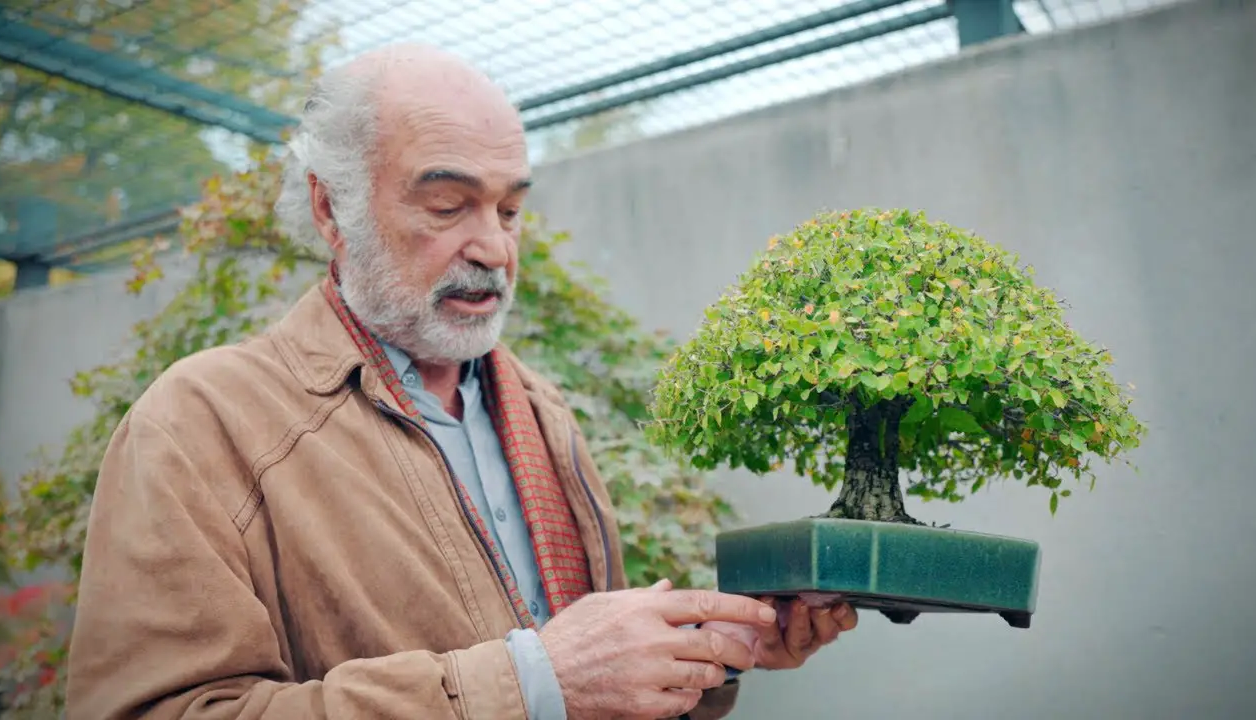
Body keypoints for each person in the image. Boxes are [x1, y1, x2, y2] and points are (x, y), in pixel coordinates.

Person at [64, 43, 858, 720]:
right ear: (332, 210)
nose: (494, 249)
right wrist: (528, 682)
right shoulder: (199, 425)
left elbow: (592, 683)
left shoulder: (539, 412)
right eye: (448, 206)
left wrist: (712, 652)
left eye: (509, 212)